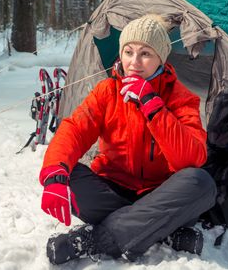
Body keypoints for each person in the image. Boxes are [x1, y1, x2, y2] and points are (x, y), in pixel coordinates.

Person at [38, 14, 217, 265]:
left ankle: (95, 240)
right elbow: (75, 129)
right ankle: (157, 230)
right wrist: (55, 173)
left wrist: (152, 106)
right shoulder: (106, 92)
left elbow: (191, 158)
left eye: (145, 53)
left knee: (201, 183)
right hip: (113, 189)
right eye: (128, 51)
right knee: (69, 176)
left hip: (162, 194)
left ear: (160, 59)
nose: (134, 62)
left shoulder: (180, 97)